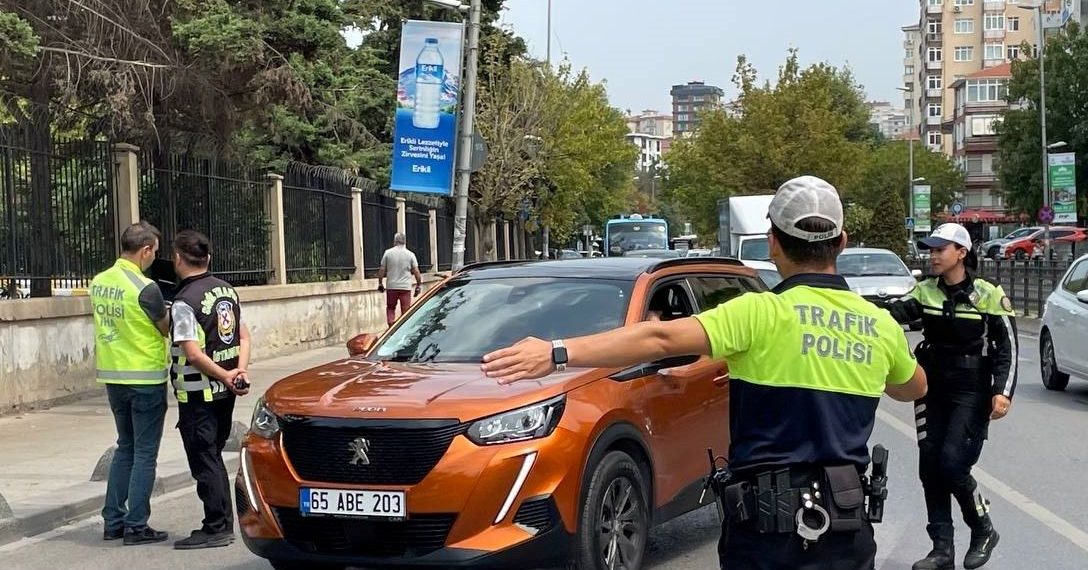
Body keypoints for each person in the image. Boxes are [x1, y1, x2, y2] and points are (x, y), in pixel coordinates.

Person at [480, 175, 927, 570]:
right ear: (842, 241)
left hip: (766, 535)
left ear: (773, 242)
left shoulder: (758, 314)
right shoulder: (879, 326)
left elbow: (659, 339)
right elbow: (913, 387)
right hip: (845, 528)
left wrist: (556, 352)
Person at [884, 223, 1016, 570]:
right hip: (931, 387)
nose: (933, 256)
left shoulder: (987, 294)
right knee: (930, 466)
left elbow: (1008, 348)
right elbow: (892, 315)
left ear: (961, 253)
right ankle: (941, 550)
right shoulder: (924, 291)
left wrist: (1002, 392)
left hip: (971, 389)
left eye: (940, 249)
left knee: (953, 464)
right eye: (931, 249)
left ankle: (983, 528)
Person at [167, 230, 252, 550]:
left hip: (198, 393)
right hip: (225, 392)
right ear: (208, 258)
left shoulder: (184, 302)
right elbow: (244, 336)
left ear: (177, 259)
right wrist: (238, 372)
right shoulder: (226, 290)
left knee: (204, 460)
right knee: (213, 456)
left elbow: (192, 354)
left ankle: (217, 526)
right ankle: (221, 522)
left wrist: (227, 376)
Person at [90, 221, 171, 546]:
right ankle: (137, 525)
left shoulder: (99, 282)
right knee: (145, 453)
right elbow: (164, 327)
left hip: (113, 376)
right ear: (146, 250)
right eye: (155, 252)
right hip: (145, 379)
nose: (154, 258)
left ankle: (113, 521)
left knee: (125, 446)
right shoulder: (145, 288)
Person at [376, 232, 422, 327]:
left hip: (391, 286)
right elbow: (416, 271)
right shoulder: (410, 254)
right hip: (405, 287)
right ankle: (403, 328)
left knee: (390, 308)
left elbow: (382, 269)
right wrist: (418, 285)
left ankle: (391, 324)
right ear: (405, 242)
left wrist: (380, 283)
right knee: (406, 312)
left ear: (395, 241)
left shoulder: (388, 253)